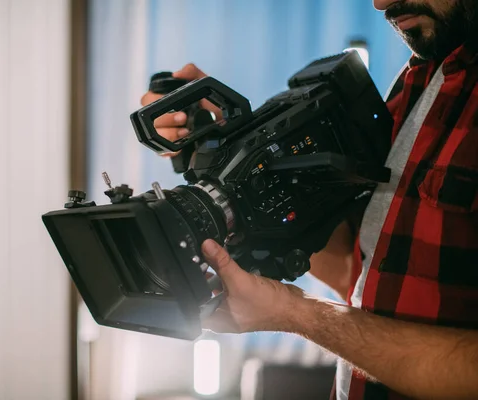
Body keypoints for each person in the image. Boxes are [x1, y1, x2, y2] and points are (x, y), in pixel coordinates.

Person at [140, 0, 478, 398]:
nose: (380, 3)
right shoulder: (423, 77)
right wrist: (232, 152)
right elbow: (360, 276)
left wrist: (297, 314)